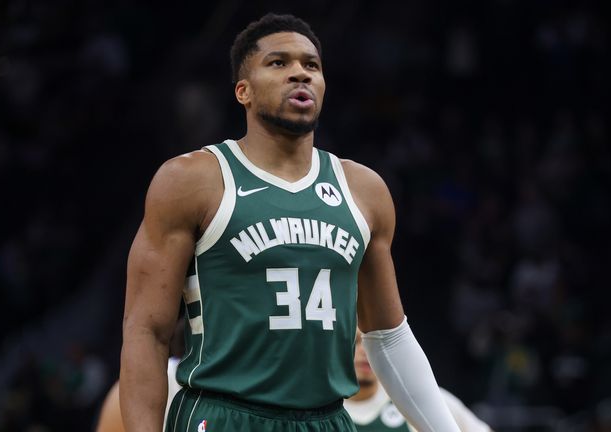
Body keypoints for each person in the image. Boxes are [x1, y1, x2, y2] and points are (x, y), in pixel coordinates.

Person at [120, 12, 460, 432]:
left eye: (311, 65)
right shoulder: (192, 180)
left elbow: (388, 337)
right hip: (225, 415)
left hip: (327, 419)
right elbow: (146, 330)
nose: (300, 73)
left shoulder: (364, 189)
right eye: (279, 63)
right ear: (242, 91)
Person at [98, 331, 492, 432]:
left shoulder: (419, 398)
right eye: (352, 342)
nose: (362, 352)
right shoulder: (164, 384)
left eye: (366, 341)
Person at [345, 331, 493, 431]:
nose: (364, 351)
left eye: (371, 344)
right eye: (355, 342)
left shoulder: (416, 398)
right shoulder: (324, 407)